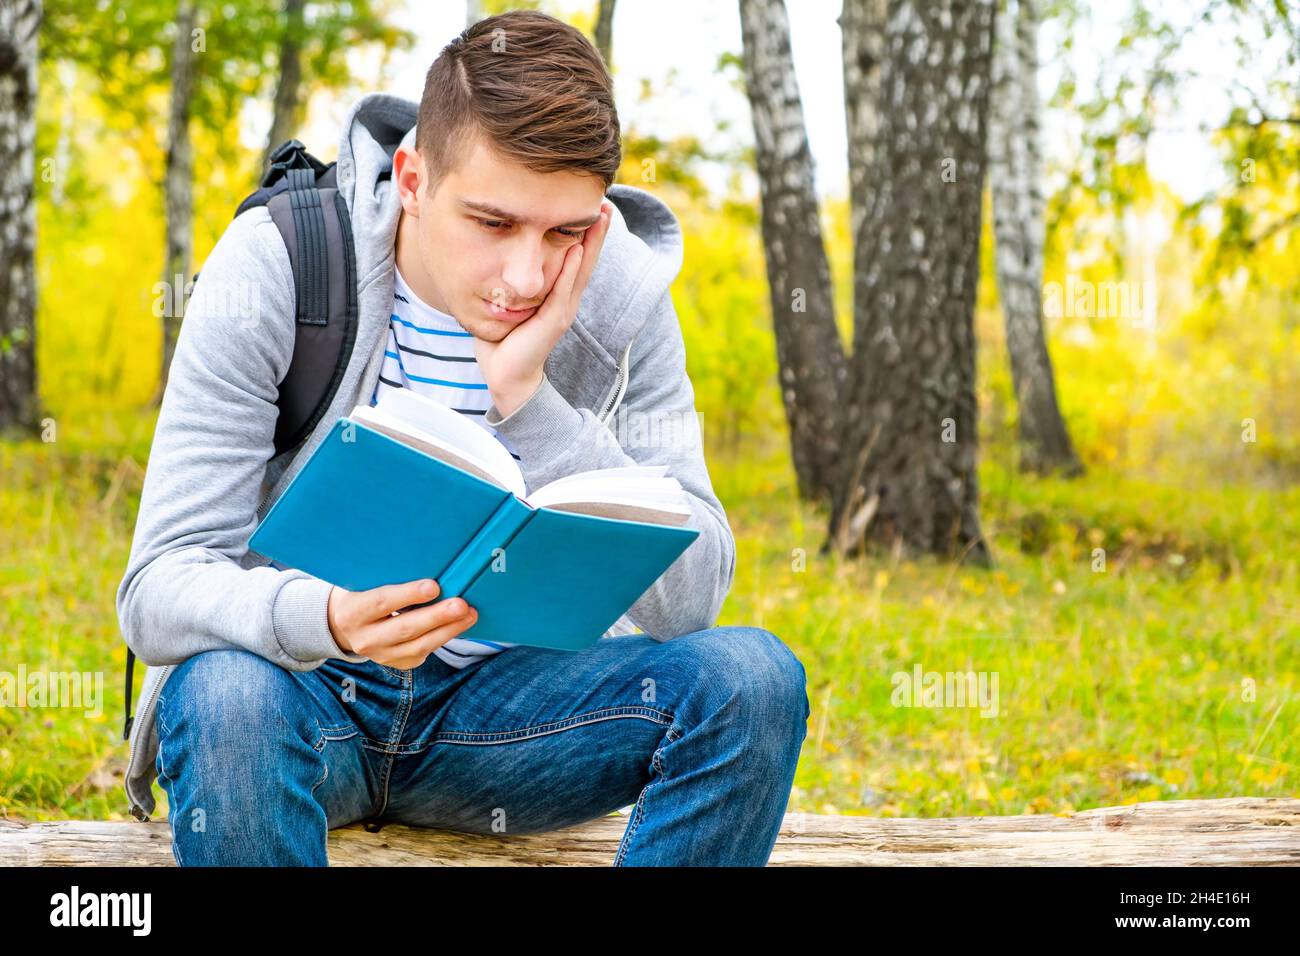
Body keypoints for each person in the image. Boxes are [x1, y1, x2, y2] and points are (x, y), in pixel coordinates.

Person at [118, 9, 810, 867]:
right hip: (298, 702)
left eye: (564, 232)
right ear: (412, 177)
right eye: (493, 223)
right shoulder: (279, 263)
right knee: (223, 696)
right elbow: (156, 587)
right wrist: (325, 619)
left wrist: (529, 403)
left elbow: (693, 597)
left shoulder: (623, 297)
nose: (527, 276)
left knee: (754, 681)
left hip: (514, 718)